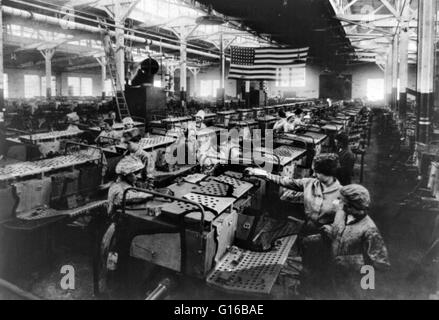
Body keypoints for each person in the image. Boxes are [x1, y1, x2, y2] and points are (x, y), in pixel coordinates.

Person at [321, 184, 390, 298]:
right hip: (335, 272)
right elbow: (338, 228)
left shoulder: (370, 230)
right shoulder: (342, 213)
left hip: (353, 281)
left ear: (352, 207)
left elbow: (380, 264)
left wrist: (367, 291)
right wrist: (329, 229)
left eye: (342, 201)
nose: (339, 203)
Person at [246, 153, 342, 233]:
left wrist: (328, 229)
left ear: (328, 173)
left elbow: (344, 223)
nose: (313, 174)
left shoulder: (342, 194)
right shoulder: (310, 183)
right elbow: (285, 181)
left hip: (326, 234)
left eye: (316, 172)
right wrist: (260, 173)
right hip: (308, 226)